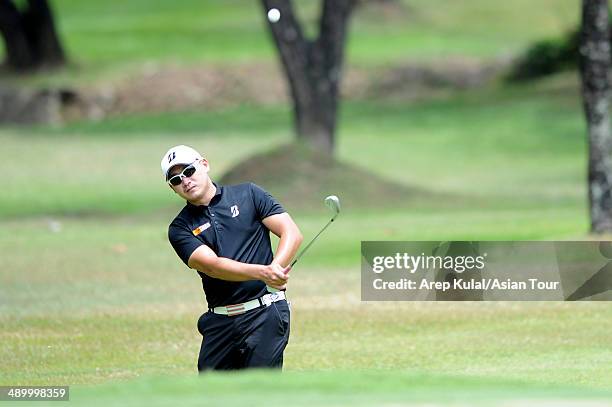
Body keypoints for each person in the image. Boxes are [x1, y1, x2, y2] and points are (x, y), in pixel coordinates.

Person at [161, 145, 303, 371]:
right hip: (220, 322)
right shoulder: (180, 228)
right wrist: (265, 273)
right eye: (176, 179)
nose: (185, 180)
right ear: (173, 188)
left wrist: (276, 268)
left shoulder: (248, 193)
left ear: (204, 165)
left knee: (260, 392)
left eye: (188, 171)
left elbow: (291, 232)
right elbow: (213, 266)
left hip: (266, 314)